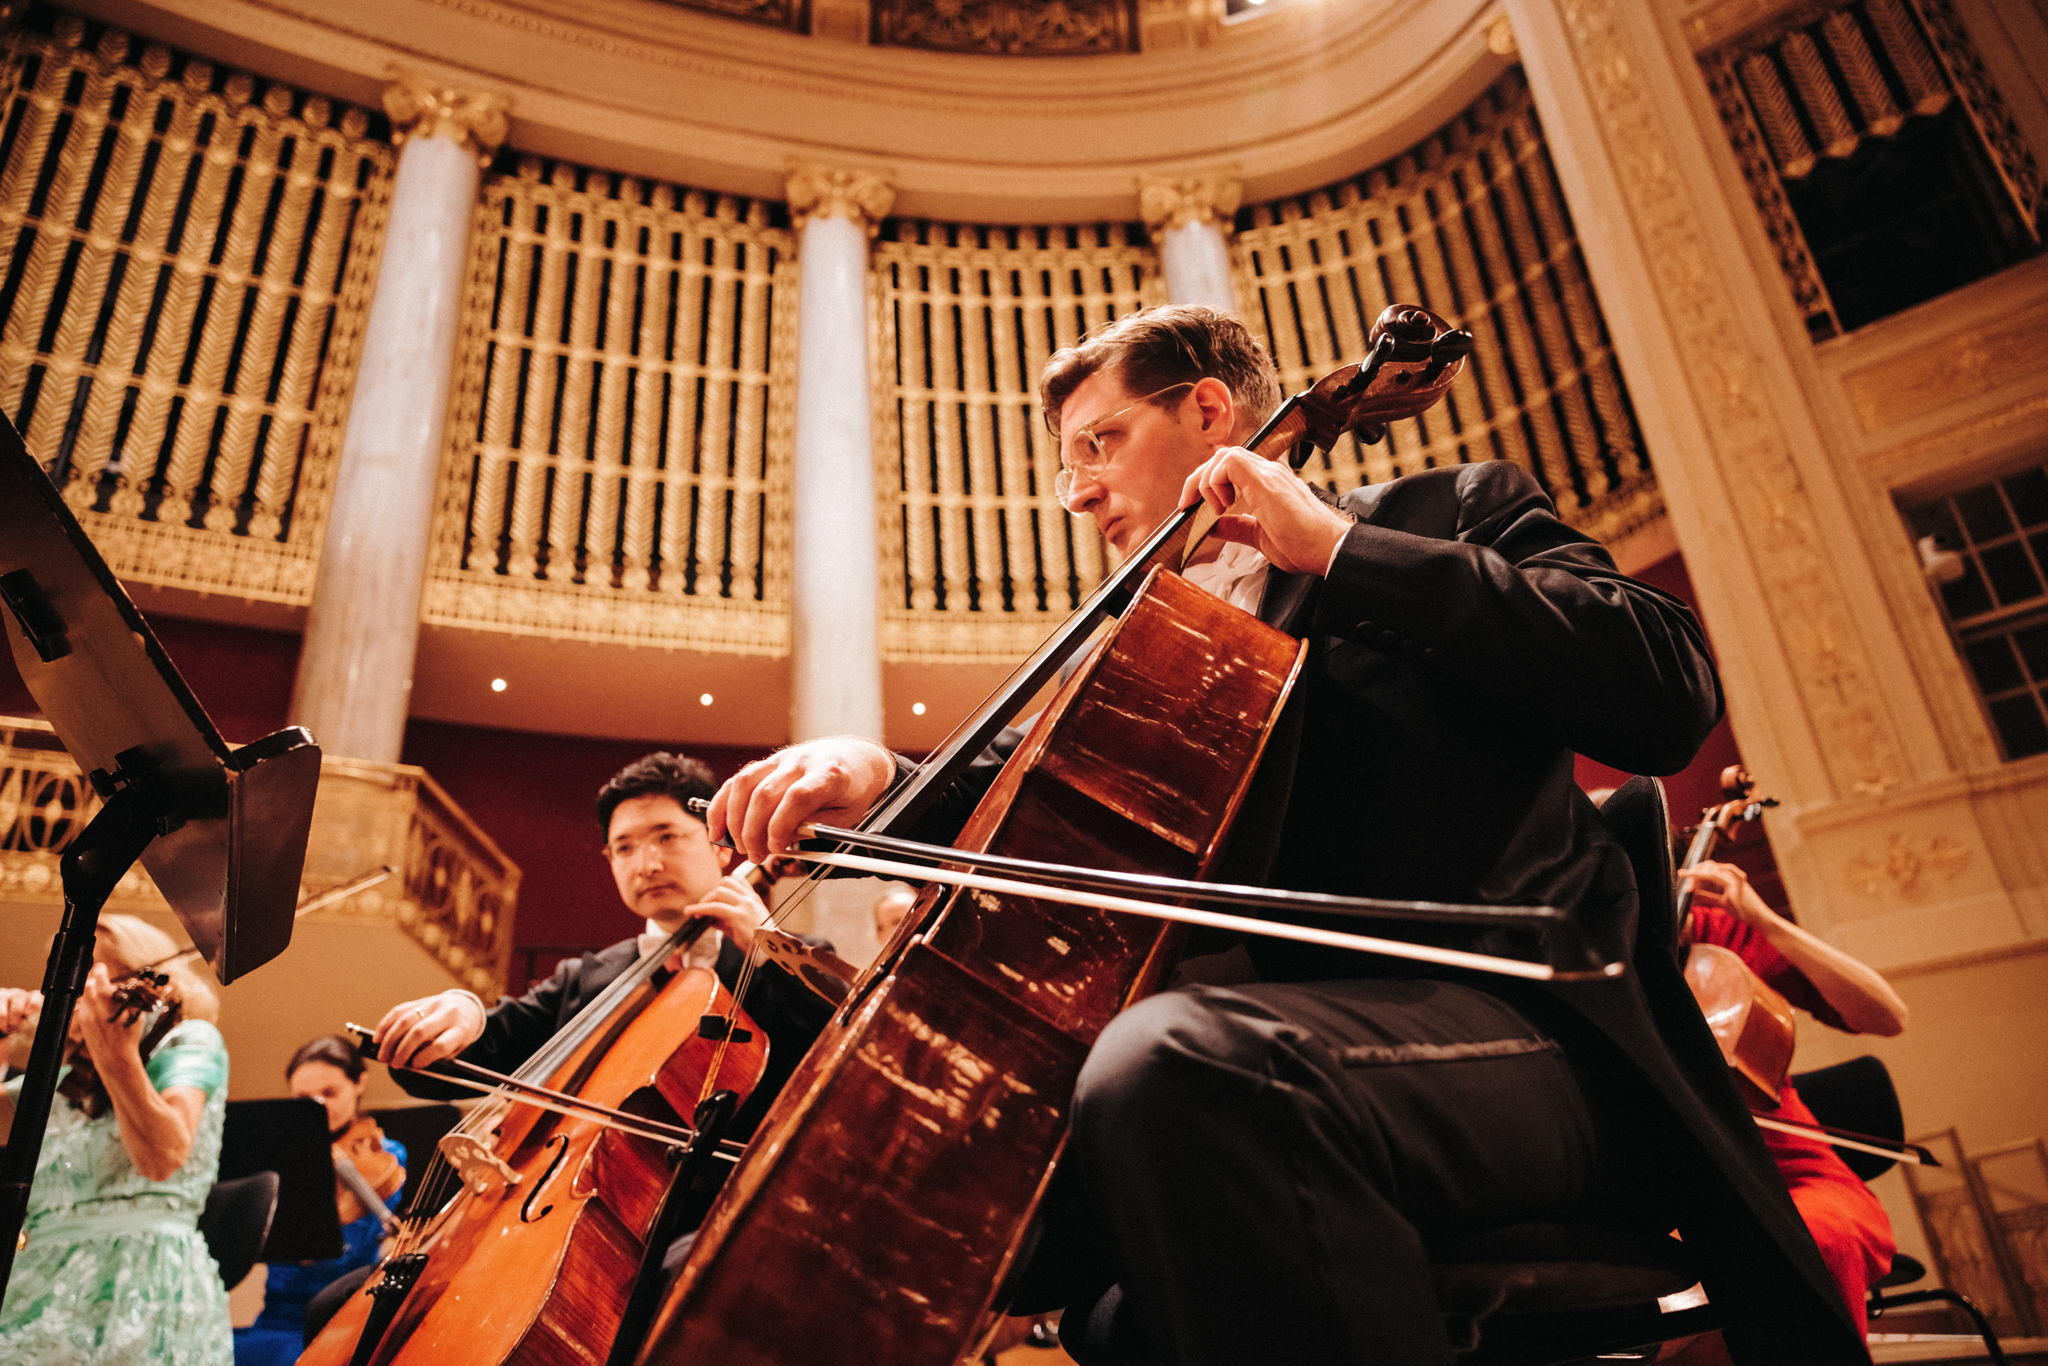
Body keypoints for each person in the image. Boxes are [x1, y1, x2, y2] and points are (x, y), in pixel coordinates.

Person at [709, 305, 1866, 1364]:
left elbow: (1661, 686)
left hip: (1537, 1043)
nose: (1076, 492)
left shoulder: (1442, 515)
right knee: (915, 1190)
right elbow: (1043, 814)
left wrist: (1338, 553)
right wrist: (878, 775)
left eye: (1099, 443)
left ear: (1209, 412)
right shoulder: (1151, 654)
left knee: (1185, 1066)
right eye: (1067, 464)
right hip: (1265, 1053)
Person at [373, 749, 835, 1139]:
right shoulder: (584, 980)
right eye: (625, 848)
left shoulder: (794, 956)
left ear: (720, 845)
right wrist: (460, 1014)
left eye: (667, 837)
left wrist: (770, 947)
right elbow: (452, 1067)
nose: (646, 864)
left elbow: (839, 1055)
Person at [1680, 858, 1909, 1336]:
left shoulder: (1717, 937)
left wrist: (1764, 920)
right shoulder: (1573, 966)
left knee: (1803, 1240)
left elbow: (1888, 1016)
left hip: (1793, 1180)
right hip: (1672, 1197)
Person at [0, 914, 232, 1365]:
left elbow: (162, 1158)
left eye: (100, 977)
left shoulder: (186, 1042)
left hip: (143, 1284)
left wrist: (117, 1054)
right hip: (38, 1285)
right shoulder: (62, 1079)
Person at [232, 1035, 406, 1366]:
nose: (318, 1107)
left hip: (345, 1315)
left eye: (329, 1093)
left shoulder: (385, 1156)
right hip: (278, 1316)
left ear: (359, 1084)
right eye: (304, 1098)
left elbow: (357, 1244)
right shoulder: (279, 1161)